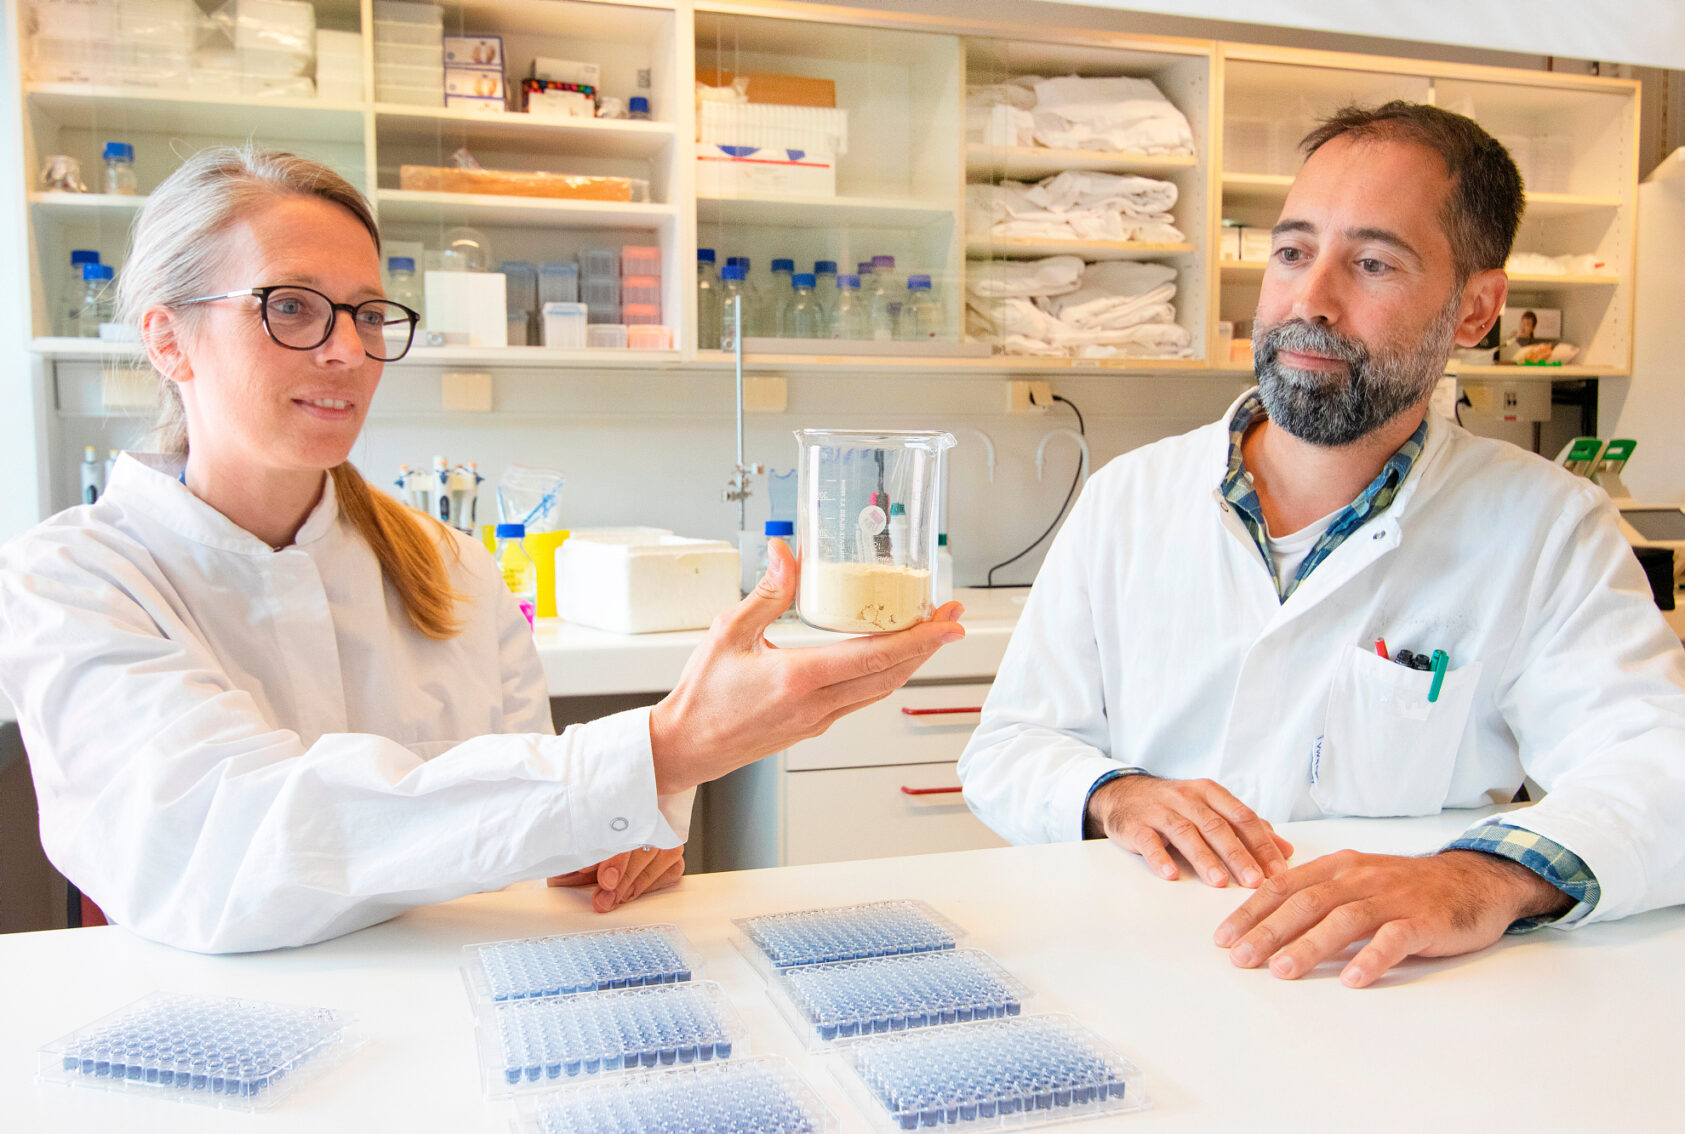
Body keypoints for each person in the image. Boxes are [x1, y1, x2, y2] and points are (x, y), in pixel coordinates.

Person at [0, 147, 965, 954]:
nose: (345, 352)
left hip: (462, 1007)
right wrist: (658, 754)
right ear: (168, 339)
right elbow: (223, 847)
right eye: (291, 307)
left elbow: (517, 815)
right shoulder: (76, 580)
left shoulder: (449, 565)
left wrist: (605, 839)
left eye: (369, 314)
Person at [958, 101, 1685, 988]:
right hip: (1147, 973)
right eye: (1293, 252)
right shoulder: (1129, 499)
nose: (1310, 301)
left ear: (1475, 310)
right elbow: (1009, 747)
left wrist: (1478, 878)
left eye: (1372, 263)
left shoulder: (1547, 527)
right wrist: (1113, 794)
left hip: (1388, 991)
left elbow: (1657, 767)